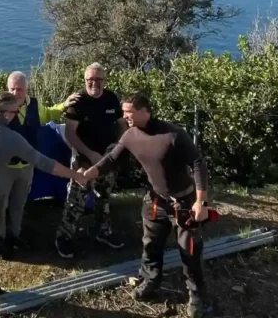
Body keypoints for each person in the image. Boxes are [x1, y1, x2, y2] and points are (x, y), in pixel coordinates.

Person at [0, 92, 96, 300]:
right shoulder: (12, 139)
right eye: (15, 112)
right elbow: (45, 163)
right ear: (5, 113)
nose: (16, 115)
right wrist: (77, 176)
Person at [87, 92, 211, 318]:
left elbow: (197, 163)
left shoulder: (173, 134)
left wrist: (201, 202)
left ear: (145, 111)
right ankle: (151, 280)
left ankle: (197, 295)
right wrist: (91, 172)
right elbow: (112, 158)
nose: (124, 117)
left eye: (129, 112)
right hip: (155, 200)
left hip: (184, 202)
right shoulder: (130, 135)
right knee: (151, 245)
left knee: (190, 250)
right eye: (123, 112)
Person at [0, 71, 79, 258]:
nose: (15, 93)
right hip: (2, 167)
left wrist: (64, 105)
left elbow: (48, 113)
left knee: (18, 204)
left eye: (20, 89)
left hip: (26, 167)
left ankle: (15, 236)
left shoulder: (34, 104)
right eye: (12, 89)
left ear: (27, 89)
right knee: (0, 206)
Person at [55, 62, 128, 259]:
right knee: (76, 199)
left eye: (98, 79)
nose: (94, 83)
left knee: (104, 196)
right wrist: (90, 154)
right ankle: (64, 236)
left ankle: (103, 231)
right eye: (90, 79)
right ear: (85, 80)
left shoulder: (111, 98)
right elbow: (70, 134)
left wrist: (117, 146)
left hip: (107, 158)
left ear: (105, 80)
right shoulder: (78, 101)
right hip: (83, 160)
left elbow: (122, 124)